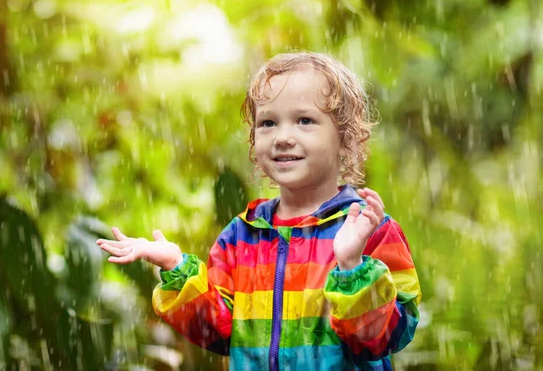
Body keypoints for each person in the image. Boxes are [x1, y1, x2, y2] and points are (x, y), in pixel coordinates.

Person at [97, 52, 421, 370]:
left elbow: (383, 338)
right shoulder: (241, 236)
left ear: (344, 138)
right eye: (268, 123)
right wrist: (175, 266)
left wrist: (351, 267)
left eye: (304, 120)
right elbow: (217, 331)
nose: (282, 138)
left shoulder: (370, 230)